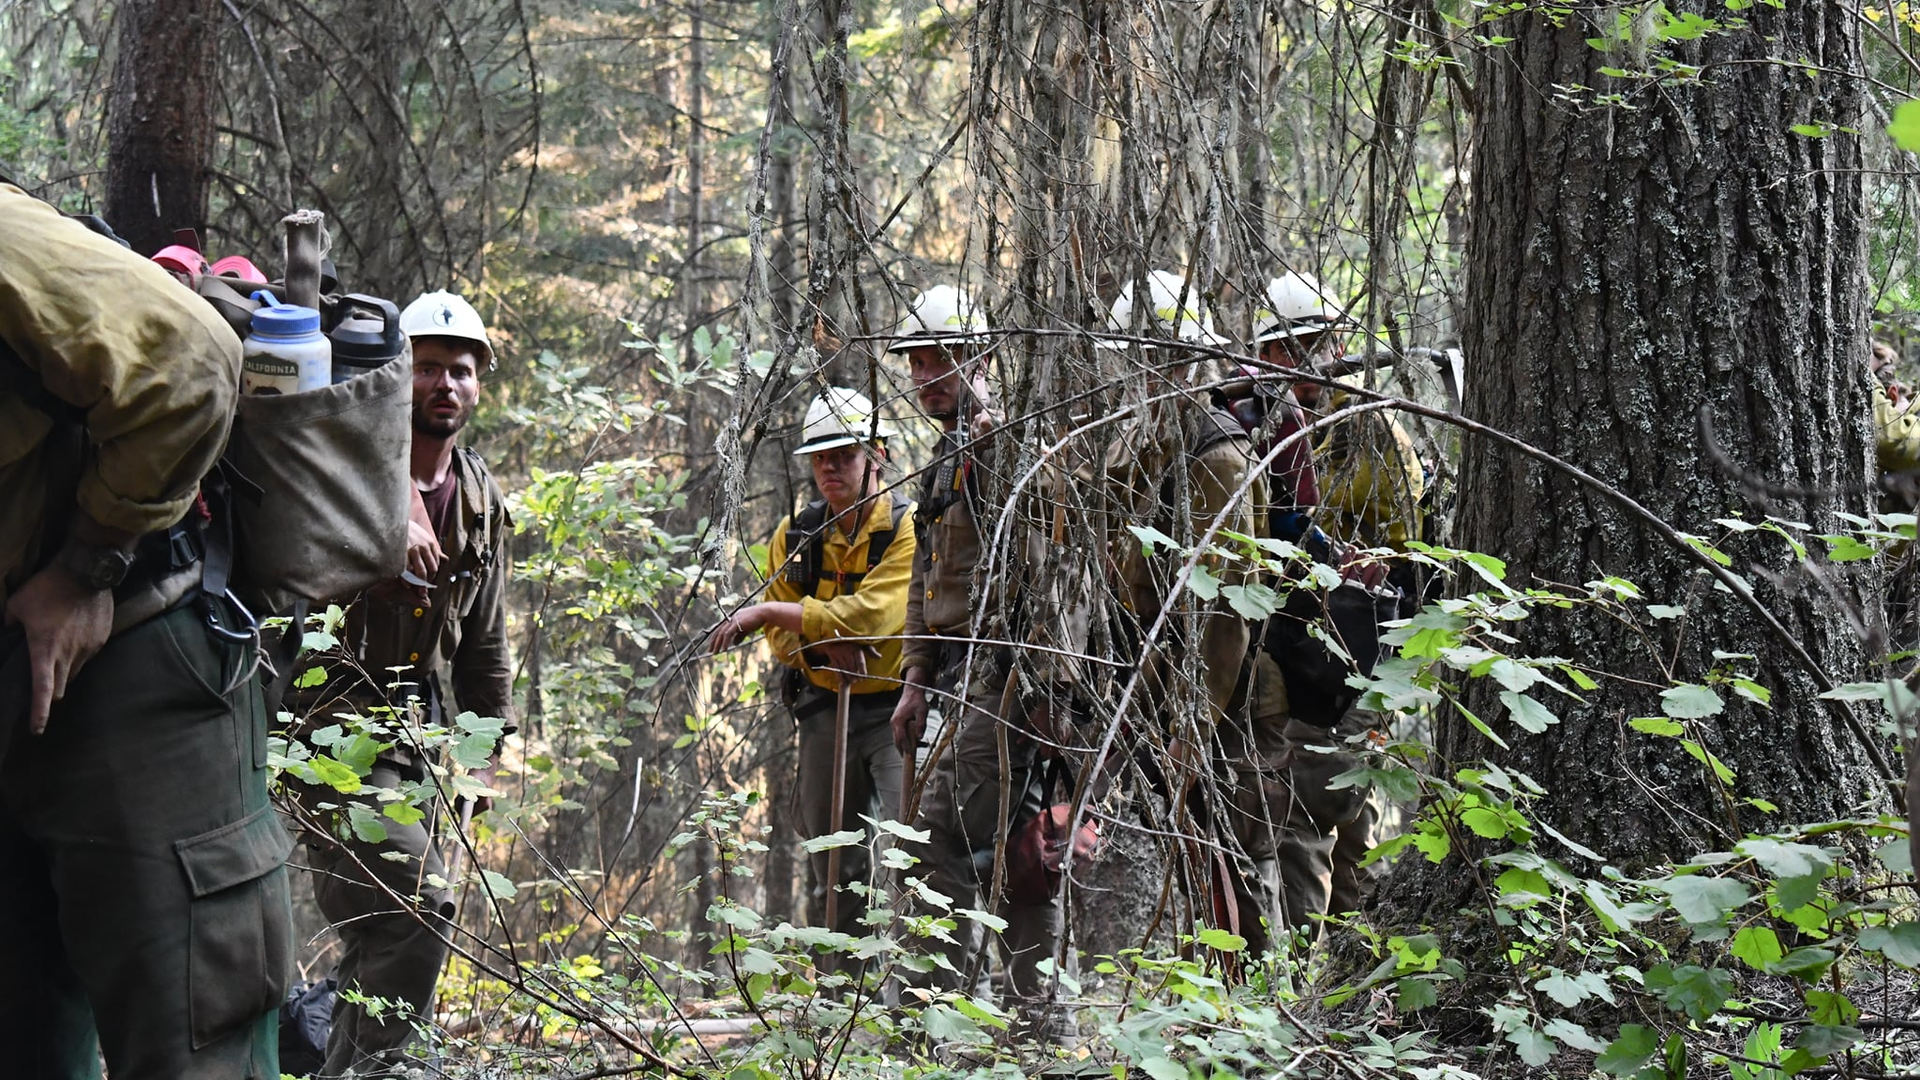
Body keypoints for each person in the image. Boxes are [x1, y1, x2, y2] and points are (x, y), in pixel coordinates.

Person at [0, 183, 292, 1078]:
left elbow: (193, 360)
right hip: (14, 688)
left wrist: (85, 567)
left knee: (193, 1044)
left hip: (137, 666)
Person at [292, 289, 514, 1078]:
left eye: (460, 371)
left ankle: (347, 1071)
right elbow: (290, 584)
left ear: (477, 386)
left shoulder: (479, 499)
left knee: (380, 931)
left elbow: (485, 645)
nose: (444, 384)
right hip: (328, 730)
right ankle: (383, 1071)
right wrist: (387, 528)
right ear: (396, 375)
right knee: (421, 907)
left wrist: (483, 755)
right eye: (427, 367)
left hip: (414, 738)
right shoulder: (347, 471)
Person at [886, 284, 1075, 1043]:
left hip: (1007, 680)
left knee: (937, 842)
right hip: (961, 681)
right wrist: (915, 679)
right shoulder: (946, 459)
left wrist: (1042, 692)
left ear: (981, 360)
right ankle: (1037, 1030)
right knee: (1017, 854)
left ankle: (942, 1028)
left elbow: (1050, 576)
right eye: (915, 361)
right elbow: (925, 579)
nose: (924, 374)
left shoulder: (1008, 448)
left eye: (940, 358)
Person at [1093, 270, 1274, 952]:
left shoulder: (1215, 454)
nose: (1150, 373)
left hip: (1219, 700)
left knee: (1227, 863)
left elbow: (1225, 614)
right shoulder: (1143, 442)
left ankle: (1257, 994)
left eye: (1165, 358)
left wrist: (1190, 728)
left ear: (1194, 363)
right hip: (1160, 683)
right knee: (1188, 867)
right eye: (1140, 357)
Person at [708, 387, 915, 978]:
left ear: (876, 455)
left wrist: (769, 612)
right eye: (820, 456)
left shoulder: (906, 528)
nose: (830, 468)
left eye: (844, 455)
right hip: (826, 709)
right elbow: (783, 641)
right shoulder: (797, 536)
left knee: (912, 856)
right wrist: (823, 642)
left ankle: (916, 1003)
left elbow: (875, 616)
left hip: (900, 710)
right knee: (834, 862)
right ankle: (838, 999)